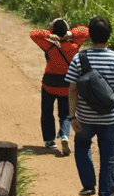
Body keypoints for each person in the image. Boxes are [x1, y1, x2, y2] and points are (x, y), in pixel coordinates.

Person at [66, 17, 114, 196]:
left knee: (82, 145)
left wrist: (72, 116)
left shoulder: (79, 59)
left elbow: (72, 90)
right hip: (112, 117)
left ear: (89, 36)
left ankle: (88, 184)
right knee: (109, 157)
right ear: (109, 35)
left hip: (85, 117)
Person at [31, 18, 90, 155]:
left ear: (52, 31)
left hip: (49, 84)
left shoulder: (49, 45)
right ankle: (64, 135)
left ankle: (50, 141)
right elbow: (85, 31)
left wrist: (49, 35)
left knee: (47, 112)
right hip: (67, 85)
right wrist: (71, 34)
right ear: (67, 30)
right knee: (65, 113)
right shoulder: (75, 45)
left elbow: (34, 34)